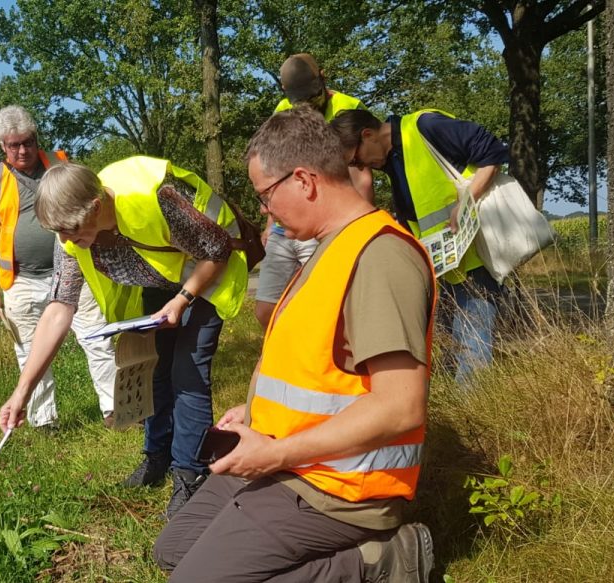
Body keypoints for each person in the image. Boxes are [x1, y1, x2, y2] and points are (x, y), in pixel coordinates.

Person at [153, 107, 436, 582]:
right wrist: (255, 412)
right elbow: (318, 369)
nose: (265, 210)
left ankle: (386, 562)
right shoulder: (329, 246)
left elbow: (400, 408)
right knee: (173, 551)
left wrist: (277, 454)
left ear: (303, 180)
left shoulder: (380, 255)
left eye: (265, 196)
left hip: (340, 487)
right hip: (292, 459)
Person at [0, 156, 250, 518]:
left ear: (97, 206)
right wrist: (21, 391)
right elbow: (59, 310)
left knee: (187, 372)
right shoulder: (69, 234)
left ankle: (190, 475)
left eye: (74, 231)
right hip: (161, 279)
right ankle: (156, 457)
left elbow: (218, 249)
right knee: (153, 370)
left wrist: (182, 299)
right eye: (61, 234)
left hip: (208, 274)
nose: (70, 242)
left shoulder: (153, 196)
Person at [331, 107, 510, 385]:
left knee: (473, 343)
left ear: (368, 135)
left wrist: (467, 201)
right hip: (442, 266)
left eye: (356, 160)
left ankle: (469, 416)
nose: (360, 168)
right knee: (452, 344)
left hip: (475, 259)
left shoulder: (427, 126)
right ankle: (457, 407)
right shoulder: (392, 159)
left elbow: (492, 152)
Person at [0, 106, 116, 429]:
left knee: (97, 336)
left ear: (37, 138)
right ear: (2, 146)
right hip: (19, 279)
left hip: (75, 270)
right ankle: (43, 420)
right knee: (29, 351)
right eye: (14, 145)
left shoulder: (62, 165)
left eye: (28, 141)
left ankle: (115, 409)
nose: (23, 150)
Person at [255, 53, 374, 331]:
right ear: (286, 92)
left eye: (312, 96)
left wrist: (360, 233)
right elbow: (278, 171)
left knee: (327, 305)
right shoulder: (282, 110)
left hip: (329, 225)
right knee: (266, 310)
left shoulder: (349, 108)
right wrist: (270, 222)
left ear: (323, 77)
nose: (307, 105)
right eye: (301, 100)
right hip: (286, 228)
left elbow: (362, 176)